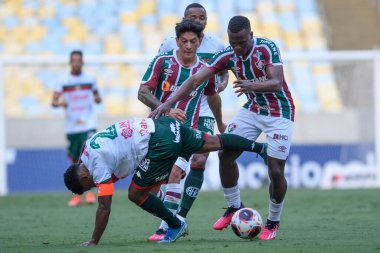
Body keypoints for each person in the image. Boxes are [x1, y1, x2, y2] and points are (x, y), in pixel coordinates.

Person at [150, 16, 295, 241]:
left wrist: (251, 85)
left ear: (251, 36)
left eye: (242, 42)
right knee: (225, 152)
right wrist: (167, 104)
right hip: (253, 109)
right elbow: (195, 80)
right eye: (233, 42)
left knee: (275, 171)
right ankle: (233, 206)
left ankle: (273, 221)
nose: (237, 47)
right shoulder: (228, 55)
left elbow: (276, 82)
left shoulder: (266, 48)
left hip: (280, 113)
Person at [63, 116, 267, 245]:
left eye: (89, 185)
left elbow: (104, 207)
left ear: (84, 175)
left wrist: (94, 240)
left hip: (159, 144)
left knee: (135, 193)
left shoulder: (96, 166)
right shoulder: (88, 149)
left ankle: (176, 224)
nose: (94, 186)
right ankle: (261, 148)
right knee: (215, 141)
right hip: (167, 126)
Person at [138, 17, 229, 241]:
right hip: (158, 129)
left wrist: (219, 123)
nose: (188, 45)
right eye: (184, 41)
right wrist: (165, 109)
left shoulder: (203, 71)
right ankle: (171, 215)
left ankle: (168, 226)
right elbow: (142, 92)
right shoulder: (163, 62)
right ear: (177, 41)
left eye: (193, 41)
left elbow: (213, 96)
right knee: (149, 188)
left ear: (200, 42)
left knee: (176, 173)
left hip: (185, 131)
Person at [52, 50, 102, 207]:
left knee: (89, 155)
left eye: (79, 60)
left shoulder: (90, 79)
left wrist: (97, 98)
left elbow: (97, 97)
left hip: (89, 124)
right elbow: (53, 101)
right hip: (72, 127)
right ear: (70, 62)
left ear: (82, 62)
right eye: (74, 60)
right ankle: (77, 195)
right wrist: (61, 103)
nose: (77, 63)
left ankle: (91, 194)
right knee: (75, 160)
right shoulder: (62, 81)